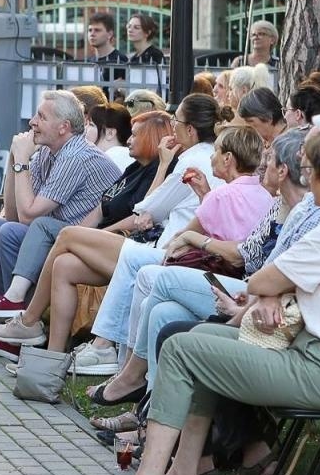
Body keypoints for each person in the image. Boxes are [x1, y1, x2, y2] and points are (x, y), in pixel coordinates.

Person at [79, 127, 320, 475]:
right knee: (196, 337)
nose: (303, 178)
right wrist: (269, 291)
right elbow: (268, 281)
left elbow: (260, 279)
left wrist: (268, 290)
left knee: (182, 349)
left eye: (307, 169)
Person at [0, 95, 222, 352]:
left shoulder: (187, 162)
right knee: (59, 261)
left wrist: (162, 166)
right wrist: (17, 160)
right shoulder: (135, 169)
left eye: (176, 121)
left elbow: (146, 211)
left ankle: (26, 319)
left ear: (190, 130)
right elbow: (96, 208)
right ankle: (48, 356)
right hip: (131, 241)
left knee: (53, 233)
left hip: (155, 249)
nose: (129, 139)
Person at [47, 125, 272, 374]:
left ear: (228, 158)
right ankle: (79, 349)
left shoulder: (220, 192)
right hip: (221, 273)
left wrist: (176, 239)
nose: (211, 157)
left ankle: (97, 345)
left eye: (217, 152)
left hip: (203, 270)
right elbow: (221, 231)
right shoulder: (263, 196)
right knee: (66, 263)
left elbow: (172, 228)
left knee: (78, 239)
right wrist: (204, 197)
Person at [0, 90, 122, 310]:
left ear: (64, 127)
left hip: (90, 239)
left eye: (41, 117)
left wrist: (22, 160)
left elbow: (26, 216)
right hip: (55, 231)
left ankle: (18, 312)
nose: (32, 122)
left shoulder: (75, 156)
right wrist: (15, 160)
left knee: (9, 233)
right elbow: (14, 214)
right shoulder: (48, 151)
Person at [88, 102, 135, 171]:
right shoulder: (131, 158)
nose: (85, 129)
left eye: (91, 125)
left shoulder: (106, 160)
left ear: (110, 133)